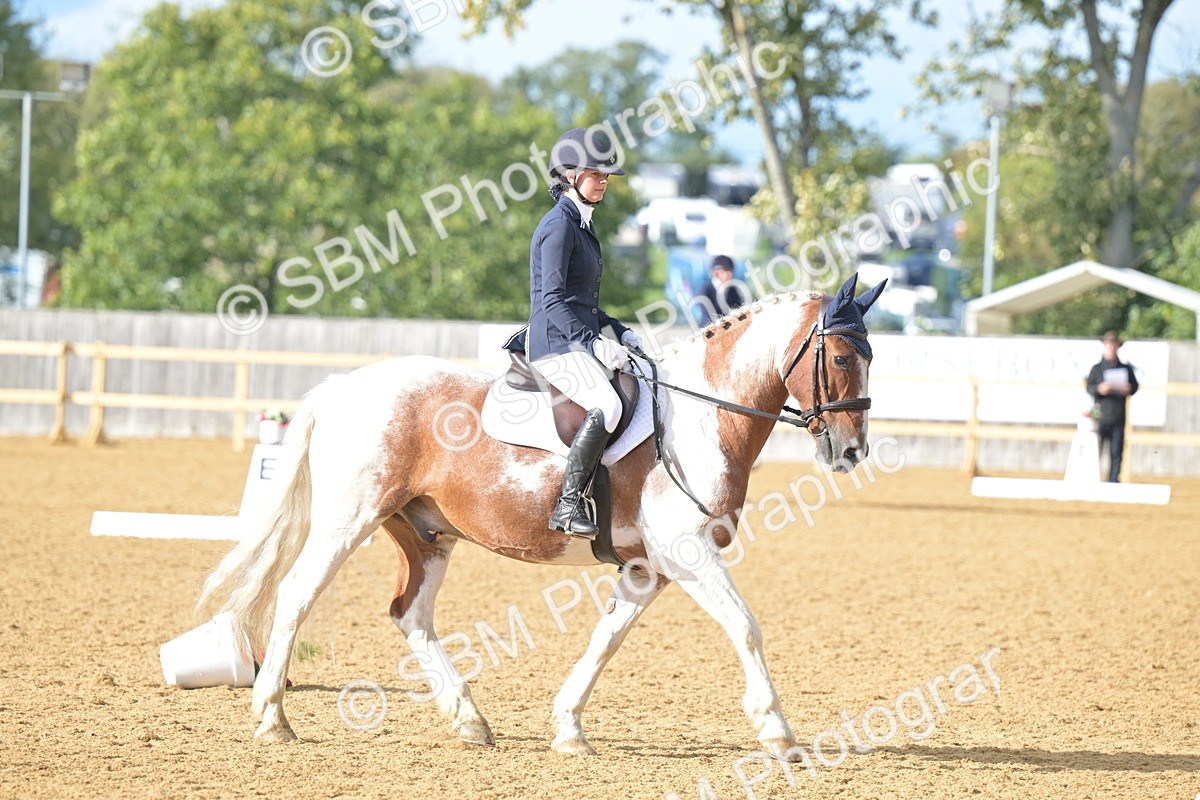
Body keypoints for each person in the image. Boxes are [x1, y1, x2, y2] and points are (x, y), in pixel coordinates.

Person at [512, 127, 641, 539]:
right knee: (608, 404)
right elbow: (552, 302)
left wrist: (618, 331)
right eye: (596, 173)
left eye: (607, 175)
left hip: (574, 339)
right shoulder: (559, 226)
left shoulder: (583, 225)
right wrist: (593, 343)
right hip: (553, 344)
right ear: (570, 174)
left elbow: (582, 302)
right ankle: (567, 506)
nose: (604, 180)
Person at [1085, 331, 1139, 482]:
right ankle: (1093, 479)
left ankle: (1113, 482)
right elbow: (1090, 388)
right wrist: (1100, 389)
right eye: (1108, 344)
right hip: (1100, 416)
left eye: (1114, 344)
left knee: (1116, 452)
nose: (1111, 348)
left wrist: (1128, 389)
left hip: (1118, 416)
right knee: (1096, 451)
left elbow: (1134, 387)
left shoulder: (1125, 368)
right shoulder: (1097, 369)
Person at [695, 255, 748, 327]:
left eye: (731, 270)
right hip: (709, 332)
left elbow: (738, 310)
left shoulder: (732, 290)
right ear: (716, 273)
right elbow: (707, 318)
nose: (730, 274)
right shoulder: (706, 290)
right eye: (726, 271)